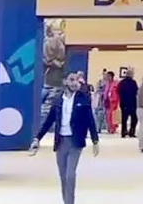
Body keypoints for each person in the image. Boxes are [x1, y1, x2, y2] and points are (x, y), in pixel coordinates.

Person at [30, 72, 99, 204]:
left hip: (75, 141)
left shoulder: (83, 99)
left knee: (70, 175)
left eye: (77, 80)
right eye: (71, 80)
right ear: (65, 82)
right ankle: (66, 201)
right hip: (61, 142)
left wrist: (95, 140)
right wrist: (37, 138)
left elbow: (89, 120)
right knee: (63, 176)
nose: (75, 83)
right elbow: (49, 120)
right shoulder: (58, 100)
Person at [117, 68, 139, 138]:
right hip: (131, 103)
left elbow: (118, 91)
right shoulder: (133, 82)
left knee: (125, 119)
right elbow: (136, 92)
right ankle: (131, 132)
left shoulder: (121, 83)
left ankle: (124, 132)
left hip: (124, 103)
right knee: (134, 118)